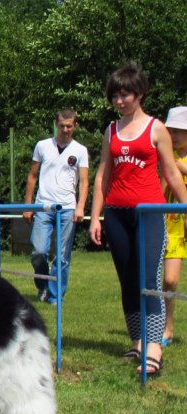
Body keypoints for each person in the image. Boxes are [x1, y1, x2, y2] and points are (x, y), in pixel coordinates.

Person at [89, 64, 187, 377]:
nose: (119, 101)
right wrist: (96, 217)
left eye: (125, 95)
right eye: (115, 96)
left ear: (139, 94)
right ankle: (137, 341)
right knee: (128, 280)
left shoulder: (156, 129)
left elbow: (171, 172)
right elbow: (103, 175)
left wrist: (186, 207)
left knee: (149, 280)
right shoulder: (111, 131)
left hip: (149, 213)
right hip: (116, 214)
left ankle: (154, 347)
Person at [23, 108, 90, 304]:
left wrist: (80, 207)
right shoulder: (42, 146)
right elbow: (32, 176)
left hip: (67, 207)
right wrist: (28, 206)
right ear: (56, 125)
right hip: (43, 206)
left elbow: (84, 182)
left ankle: (55, 296)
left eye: (69, 126)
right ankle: (43, 285)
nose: (65, 130)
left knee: (62, 256)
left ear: (75, 126)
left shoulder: (80, 150)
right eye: (62, 126)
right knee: (38, 252)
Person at [161, 106, 187, 347]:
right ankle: (167, 326)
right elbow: (160, 193)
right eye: (172, 131)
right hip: (174, 226)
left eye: (179, 131)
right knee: (169, 280)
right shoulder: (167, 158)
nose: (174, 136)